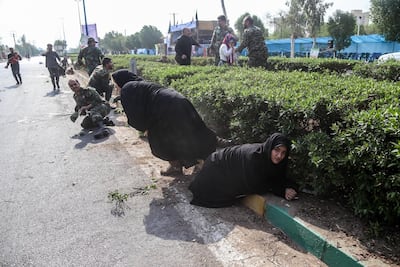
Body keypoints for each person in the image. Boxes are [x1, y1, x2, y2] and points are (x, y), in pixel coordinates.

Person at [111, 69, 217, 175]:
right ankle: (203, 161)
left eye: (115, 85)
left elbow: (135, 117)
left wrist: (144, 127)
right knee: (191, 132)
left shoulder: (127, 89)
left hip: (166, 110)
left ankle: (179, 166)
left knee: (160, 142)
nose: (116, 88)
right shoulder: (139, 84)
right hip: (179, 101)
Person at [189, 133, 298, 208]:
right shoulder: (254, 158)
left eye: (283, 152)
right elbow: (256, 185)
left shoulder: (272, 159)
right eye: (277, 150)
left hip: (226, 166)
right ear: (270, 147)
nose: (279, 156)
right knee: (218, 195)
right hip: (216, 165)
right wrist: (282, 191)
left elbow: (277, 177)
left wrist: (289, 187)